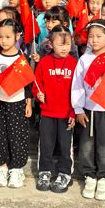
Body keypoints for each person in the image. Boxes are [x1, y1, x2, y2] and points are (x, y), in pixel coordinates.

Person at [71, 20, 105, 201]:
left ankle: (104, 176)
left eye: (99, 36)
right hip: (88, 109)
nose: (94, 40)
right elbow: (77, 85)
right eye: (91, 36)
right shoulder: (84, 60)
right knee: (86, 145)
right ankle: (89, 175)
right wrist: (78, 109)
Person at [33, 26, 77, 193]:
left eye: (68, 44)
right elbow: (37, 84)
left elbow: (78, 91)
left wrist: (74, 112)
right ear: (51, 44)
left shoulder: (74, 63)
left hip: (67, 113)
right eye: (60, 44)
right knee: (46, 144)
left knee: (65, 146)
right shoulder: (44, 62)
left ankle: (65, 173)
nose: (65, 48)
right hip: (47, 112)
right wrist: (38, 94)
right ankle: (44, 172)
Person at [0, 19, 32, 189]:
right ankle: (2, 167)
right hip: (0, 103)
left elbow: (28, 83)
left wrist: (28, 103)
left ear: (17, 36)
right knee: (0, 135)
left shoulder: (22, 58)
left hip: (18, 102)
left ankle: (16, 168)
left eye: (8, 37)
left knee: (17, 136)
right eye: (1, 37)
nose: (4, 40)